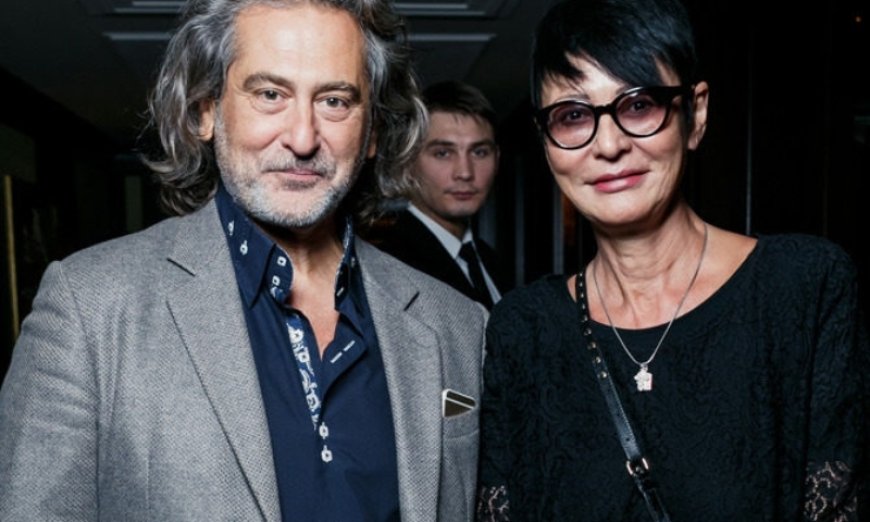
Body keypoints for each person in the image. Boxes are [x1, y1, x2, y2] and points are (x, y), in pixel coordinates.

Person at [0, 0, 486, 520]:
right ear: (206, 110)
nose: (303, 138)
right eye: (270, 95)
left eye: (335, 101)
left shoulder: (457, 325)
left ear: (372, 133)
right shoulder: (89, 310)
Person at [476, 0, 869, 520]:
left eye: (639, 105)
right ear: (546, 141)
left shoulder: (803, 287)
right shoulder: (522, 331)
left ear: (695, 114)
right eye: (572, 116)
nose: (608, 145)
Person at [371, 80, 506, 309]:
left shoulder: (489, 259)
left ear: (497, 159)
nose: (465, 172)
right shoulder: (388, 266)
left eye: (480, 152)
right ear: (407, 162)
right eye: (443, 153)